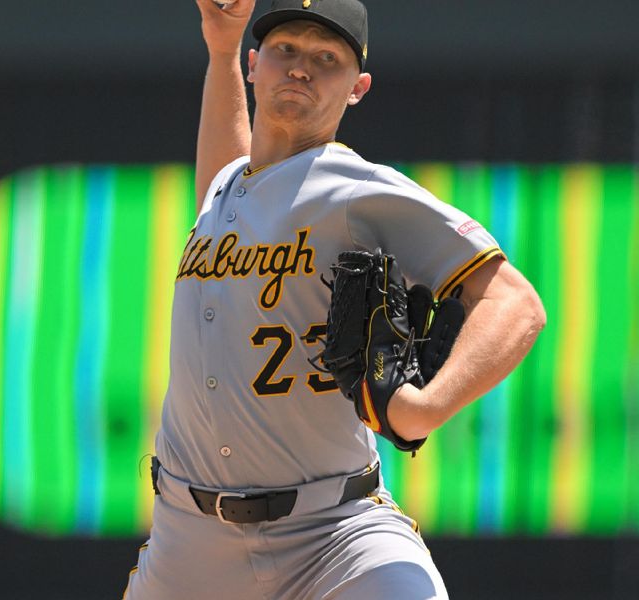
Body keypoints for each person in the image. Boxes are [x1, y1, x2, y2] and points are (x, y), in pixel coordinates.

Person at [123, 1, 546, 598]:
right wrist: (218, 53)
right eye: (285, 51)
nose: (300, 69)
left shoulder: (354, 189)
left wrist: (421, 408)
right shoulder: (228, 187)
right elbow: (234, 180)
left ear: (358, 88)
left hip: (335, 533)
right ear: (255, 64)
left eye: (326, 58)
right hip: (189, 542)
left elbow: (515, 302)